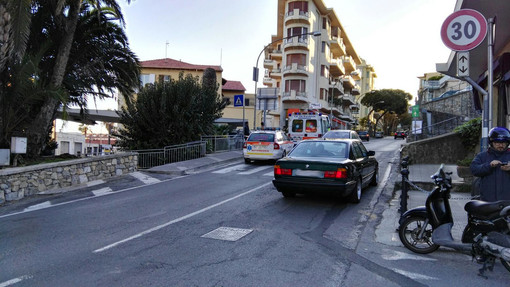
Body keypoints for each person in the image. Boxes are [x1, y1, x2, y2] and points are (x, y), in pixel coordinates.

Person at [470, 127, 510, 201]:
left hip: (507, 203)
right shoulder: (482, 156)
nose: (500, 145)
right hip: (488, 202)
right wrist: (489, 166)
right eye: (497, 142)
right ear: (491, 143)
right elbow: (474, 169)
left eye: (503, 143)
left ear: (507, 143)